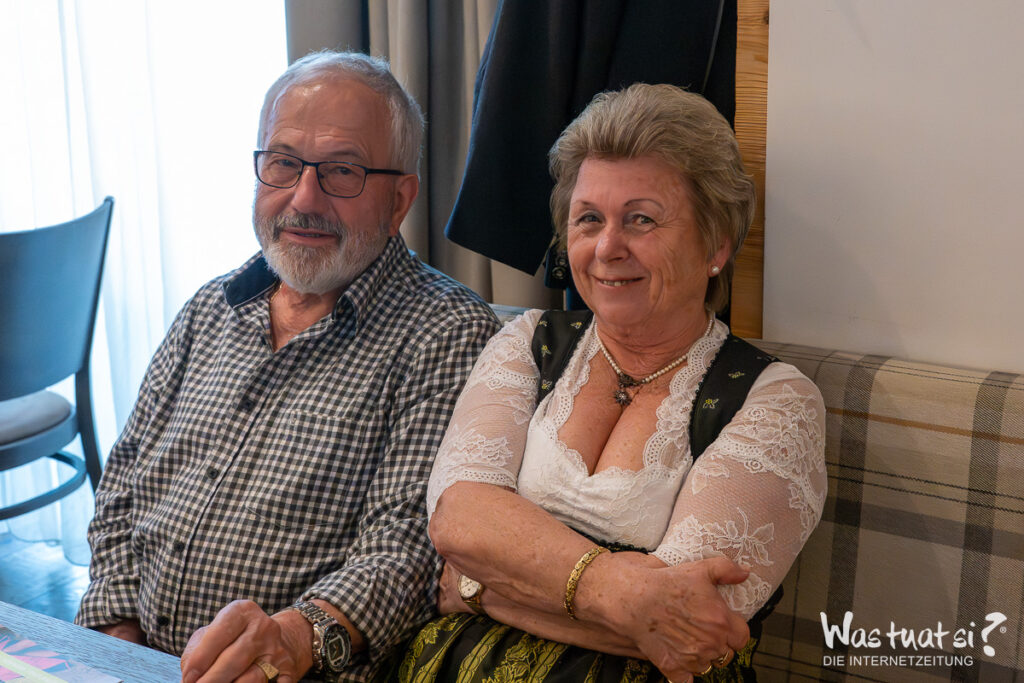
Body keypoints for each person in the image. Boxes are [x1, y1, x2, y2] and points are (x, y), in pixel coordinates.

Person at [75, 51, 499, 682]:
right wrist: (117, 639)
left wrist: (294, 639)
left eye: (342, 171)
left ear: (398, 200)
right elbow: (124, 481)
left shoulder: (446, 333)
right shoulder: (210, 308)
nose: (304, 197)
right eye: (282, 163)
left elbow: (408, 547)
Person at [394, 84, 827, 682]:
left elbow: (689, 625)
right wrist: (619, 592)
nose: (606, 247)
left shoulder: (775, 400)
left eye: (641, 219)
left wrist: (476, 587)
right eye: (589, 219)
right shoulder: (528, 341)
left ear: (716, 245)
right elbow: (457, 519)